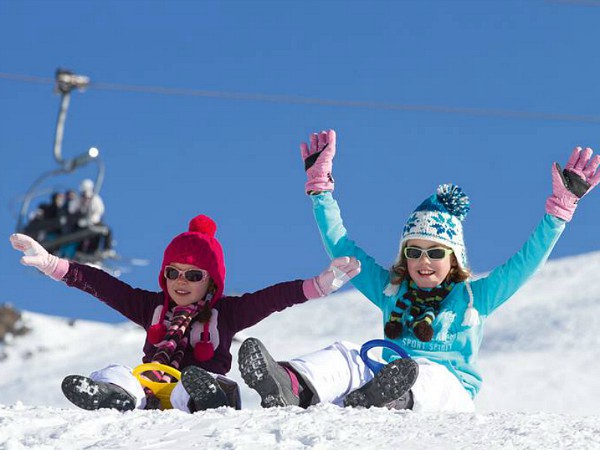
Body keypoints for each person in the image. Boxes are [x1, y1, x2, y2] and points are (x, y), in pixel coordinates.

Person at [238, 130, 600, 412]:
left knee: (428, 375)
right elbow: (343, 247)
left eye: (435, 253)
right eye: (414, 252)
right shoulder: (391, 290)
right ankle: (291, 383)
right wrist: (320, 191)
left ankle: (389, 399)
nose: (423, 261)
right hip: (386, 372)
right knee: (347, 352)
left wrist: (560, 212)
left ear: (454, 258)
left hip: (449, 393)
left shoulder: (475, 297)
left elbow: (525, 262)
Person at [9, 213, 361, 413]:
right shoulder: (153, 308)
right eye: (172, 272)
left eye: (193, 275)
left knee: (194, 382)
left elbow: (274, 298)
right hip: (153, 387)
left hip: (206, 389)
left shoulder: (228, 312)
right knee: (120, 372)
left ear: (211, 282)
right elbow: (104, 286)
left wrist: (321, 283)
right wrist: (54, 265)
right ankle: (111, 395)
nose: (181, 281)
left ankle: (205, 399)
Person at [77, 178, 113, 255]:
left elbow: (100, 210)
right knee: (83, 236)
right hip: (84, 224)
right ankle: (83, 251)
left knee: (105, 231)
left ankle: (106, 249)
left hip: (95, 221)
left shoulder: (95, 199)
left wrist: (93, 219)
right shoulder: (79, 200)